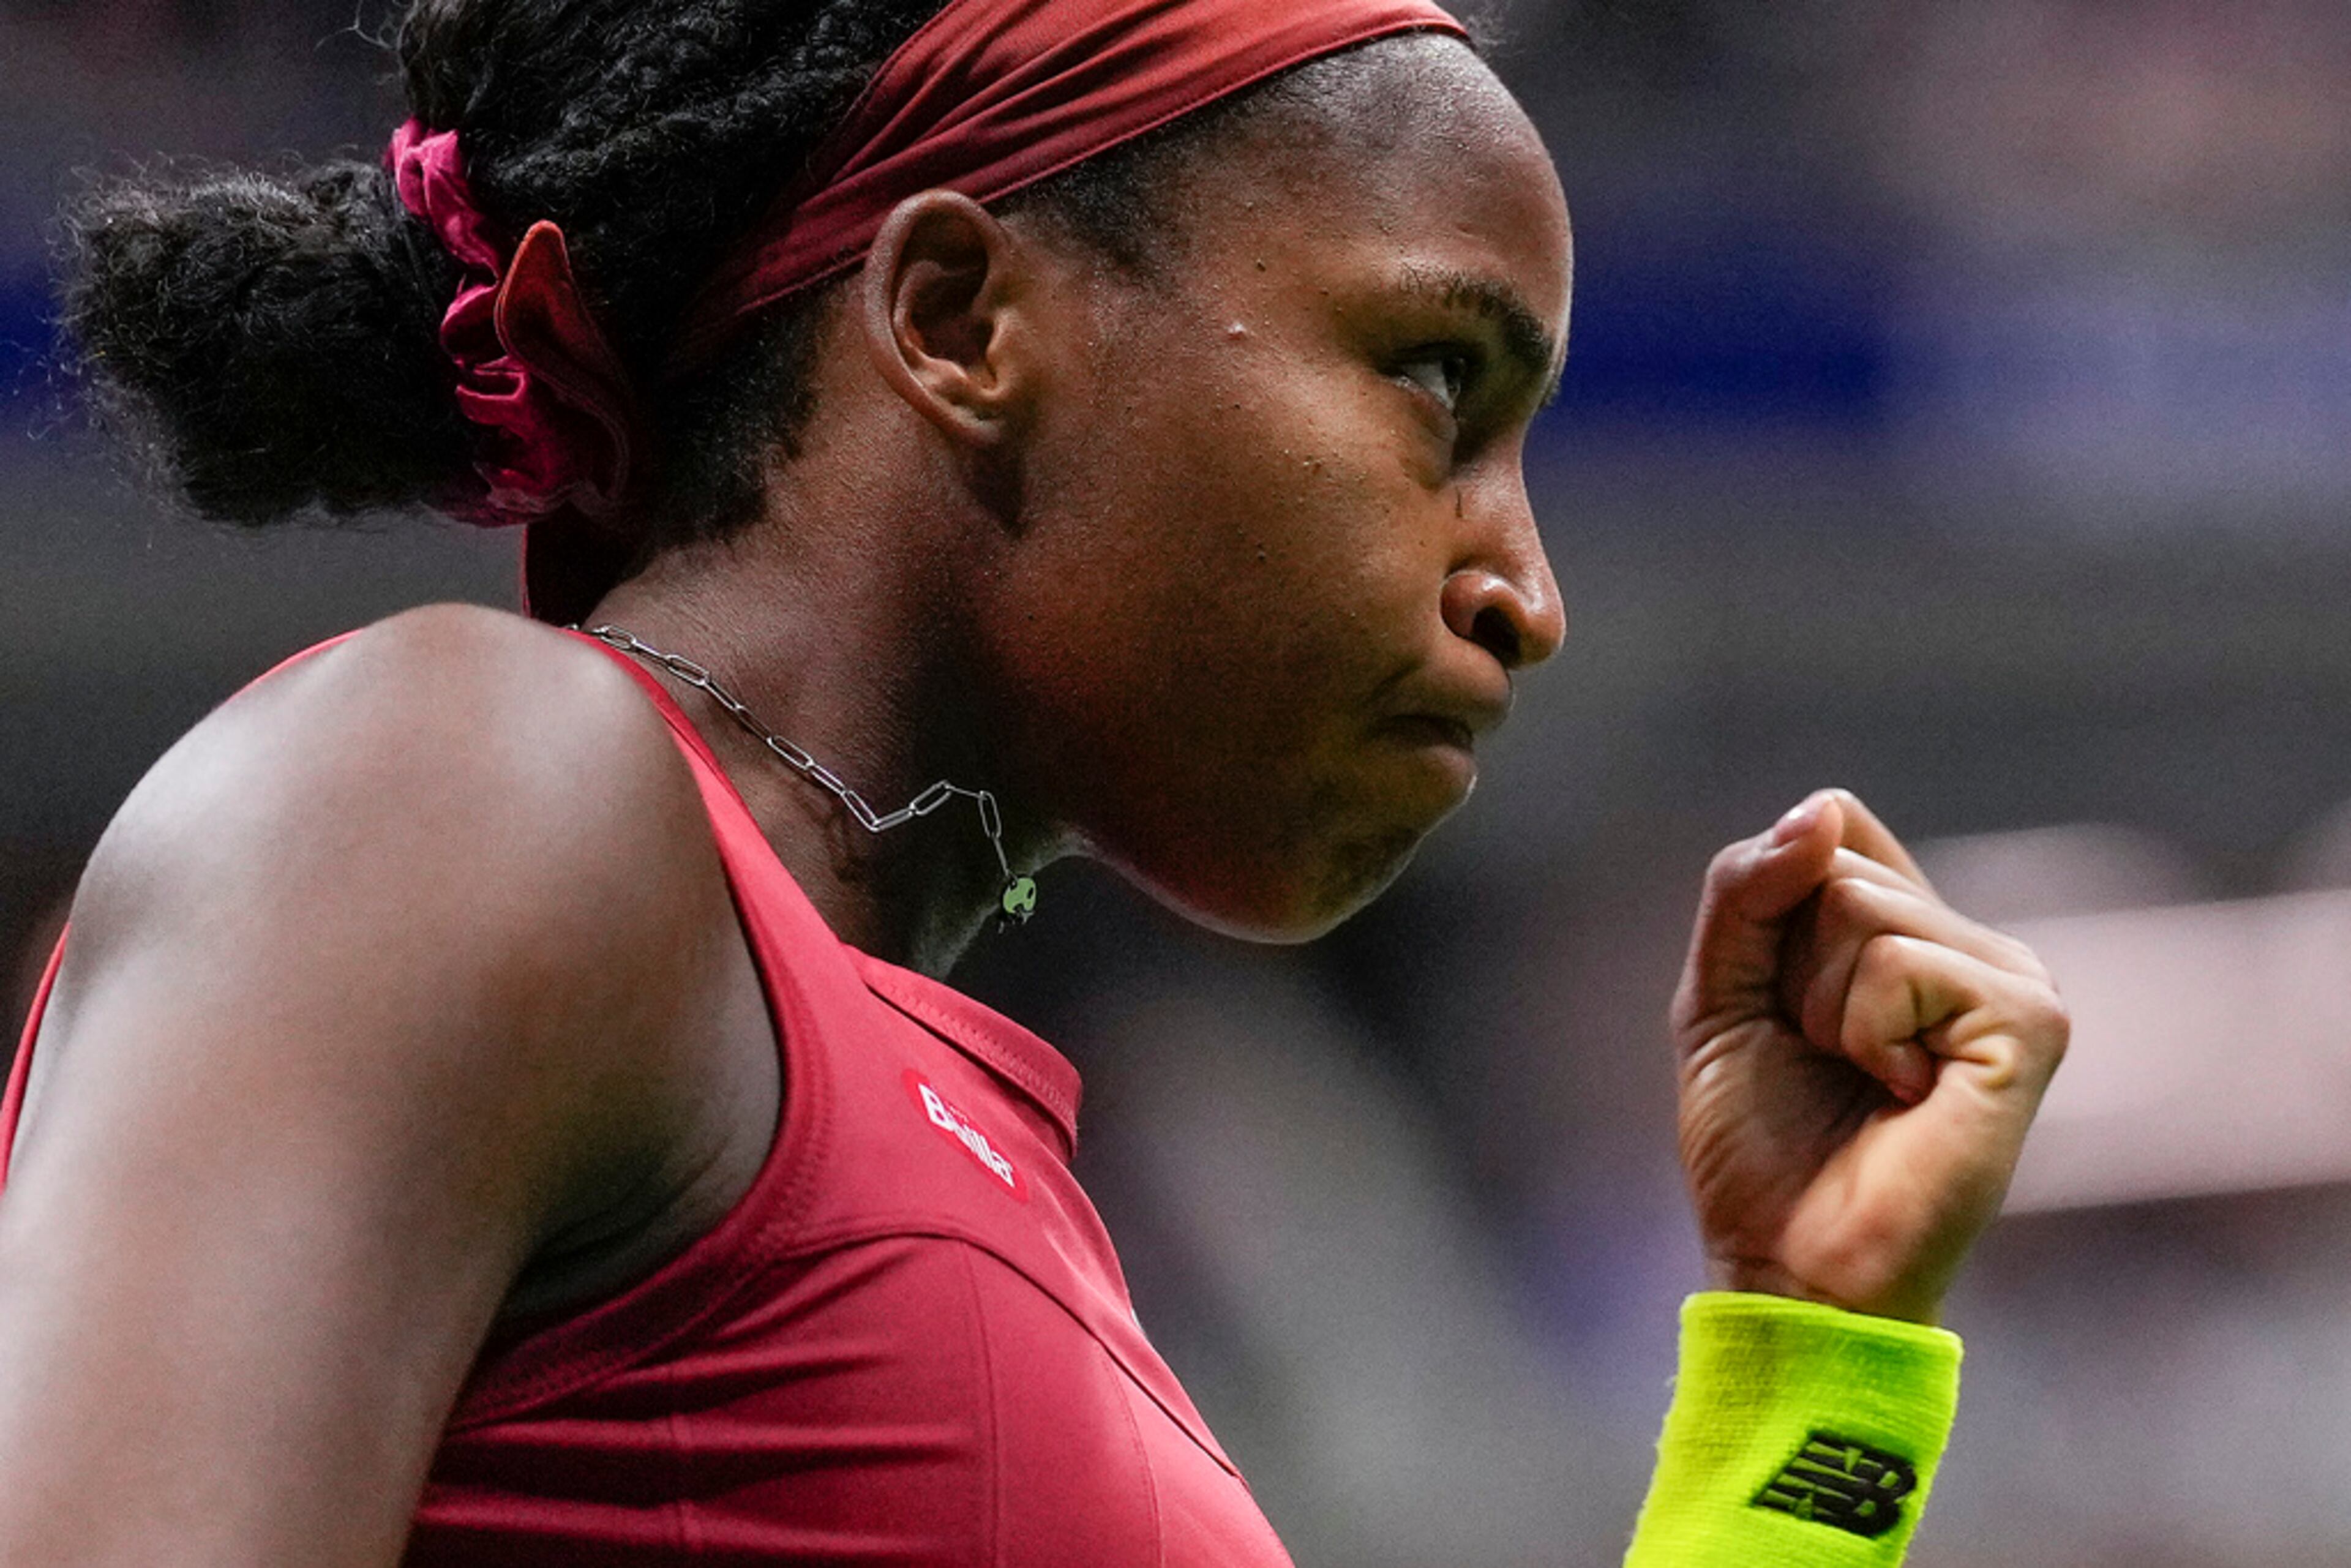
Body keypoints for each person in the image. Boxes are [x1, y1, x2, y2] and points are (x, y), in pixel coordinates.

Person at [0, 0, 2069, 1562]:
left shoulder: (972, 1174)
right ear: (961, 316)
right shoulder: (467, 790)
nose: (1523, 589)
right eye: (1438, 381)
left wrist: (1819, 1358)